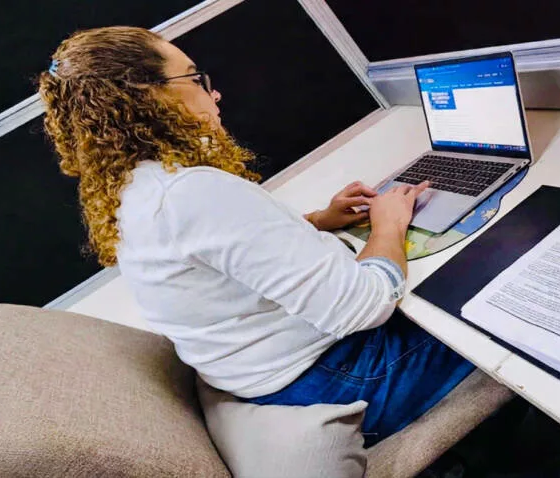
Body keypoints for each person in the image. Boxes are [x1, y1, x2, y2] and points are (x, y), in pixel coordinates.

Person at [39, 26, 475, 446]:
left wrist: (318, 220)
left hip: (274, 380)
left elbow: (226, 256)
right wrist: (388, 223)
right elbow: (366, 306)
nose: (214, 93)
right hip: (345, 380)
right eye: (194, 78)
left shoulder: (133, 189)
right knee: (482, 297)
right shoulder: (190, 193)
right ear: (146, 95)